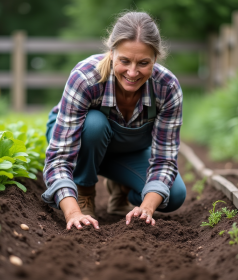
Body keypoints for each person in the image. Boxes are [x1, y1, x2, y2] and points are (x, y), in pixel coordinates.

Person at [42, 11, 186, 230]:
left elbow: (164, 159)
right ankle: (85, 191)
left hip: (125, 150)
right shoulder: (86, 78)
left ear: (155, 59)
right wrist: (72, 212)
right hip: (80, 143)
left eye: (143, 63)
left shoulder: (167, 88)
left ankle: (121, 188)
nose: (132, 72)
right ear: (111, 53)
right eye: (125, 61)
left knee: (174, 196)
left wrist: (146, 208)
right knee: (94, 124)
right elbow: (59, 157)